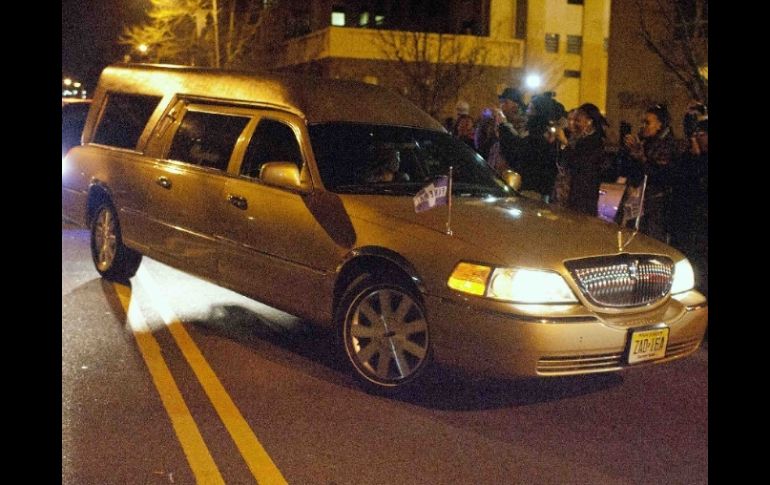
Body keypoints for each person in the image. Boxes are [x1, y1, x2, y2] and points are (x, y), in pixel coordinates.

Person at [623, 103, 678, 241]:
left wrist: (641, 156)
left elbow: (660, 174)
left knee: (651, 241)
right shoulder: (646, 141)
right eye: (642, 122)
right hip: (639, 201)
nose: (643, 126)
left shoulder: (667, 145)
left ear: (660, 125)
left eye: (647, 123)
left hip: (655, 205)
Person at [557, 103, 608, 216]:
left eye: (578, 120)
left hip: (584, 195)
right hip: (575, 192)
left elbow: (578, 163)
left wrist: (565, 143)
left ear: (589, 121)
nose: (574, 124)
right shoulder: (579, 139)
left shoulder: (594, 142)